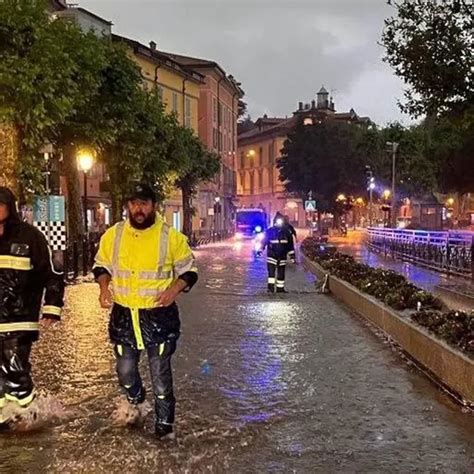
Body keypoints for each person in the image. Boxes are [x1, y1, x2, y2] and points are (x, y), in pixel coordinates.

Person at [93, 183, 198, 439]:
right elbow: (101, 265)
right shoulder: (114, 235)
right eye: (133, 204)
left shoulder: (170, 237)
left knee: (160, 376)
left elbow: (189, 272)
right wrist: (103, 288)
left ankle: (164, 427)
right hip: (124, 317)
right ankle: (136, 399)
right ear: (127, 206)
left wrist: (173, 290)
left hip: (159, 317)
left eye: (143, 203)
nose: (138, 209)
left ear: (153, 205)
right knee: (125, 371)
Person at [0, 187, 64, 427]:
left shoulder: (30, 237)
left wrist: (52, 307)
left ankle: (30, 417)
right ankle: (6, 422)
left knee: (15, 370)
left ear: (10, 207)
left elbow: (52, 274)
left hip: (20, 320)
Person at [262, 213, 292, 293]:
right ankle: (270, 288)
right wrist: (261, 249)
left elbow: (290, 245)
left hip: (282, 256)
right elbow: (264, 241)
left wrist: (292, 256)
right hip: (272, 255)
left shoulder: (286, 232)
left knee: (281, 273)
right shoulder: (270, 231)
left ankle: (280, 289)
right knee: (271, 273)